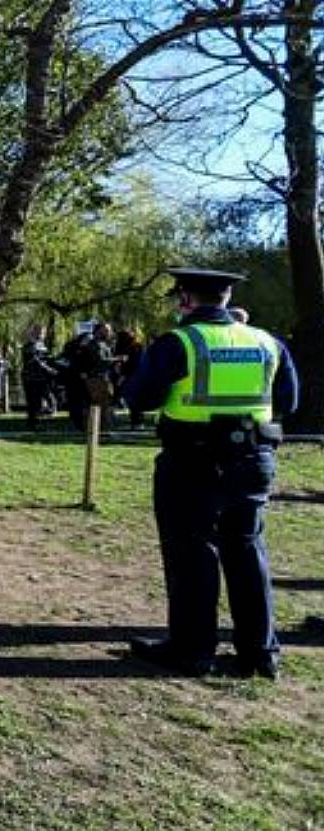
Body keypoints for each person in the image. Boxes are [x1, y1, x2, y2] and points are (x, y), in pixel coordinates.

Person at [123, 267, 298, 679]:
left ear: (186, 299)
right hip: (253, 459)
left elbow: (142, 396)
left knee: (192, 554)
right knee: (248, 550)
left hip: (192, 461)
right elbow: (288, 401)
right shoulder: (266, 341)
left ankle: (193, 648)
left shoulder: (179, 342)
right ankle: (260, 651)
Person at [21, 325, 59, 428]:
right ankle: (33, 423)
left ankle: (41, 419)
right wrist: (48, 369)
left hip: (42, 378)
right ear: (34, 332)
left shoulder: (41, 345)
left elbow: (47, 358)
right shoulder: (30, 345)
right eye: (39, 332)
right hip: (31, 377)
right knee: (33, 401)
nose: (42, 334)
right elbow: (35, 361)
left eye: (43, 332)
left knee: (48, 398)